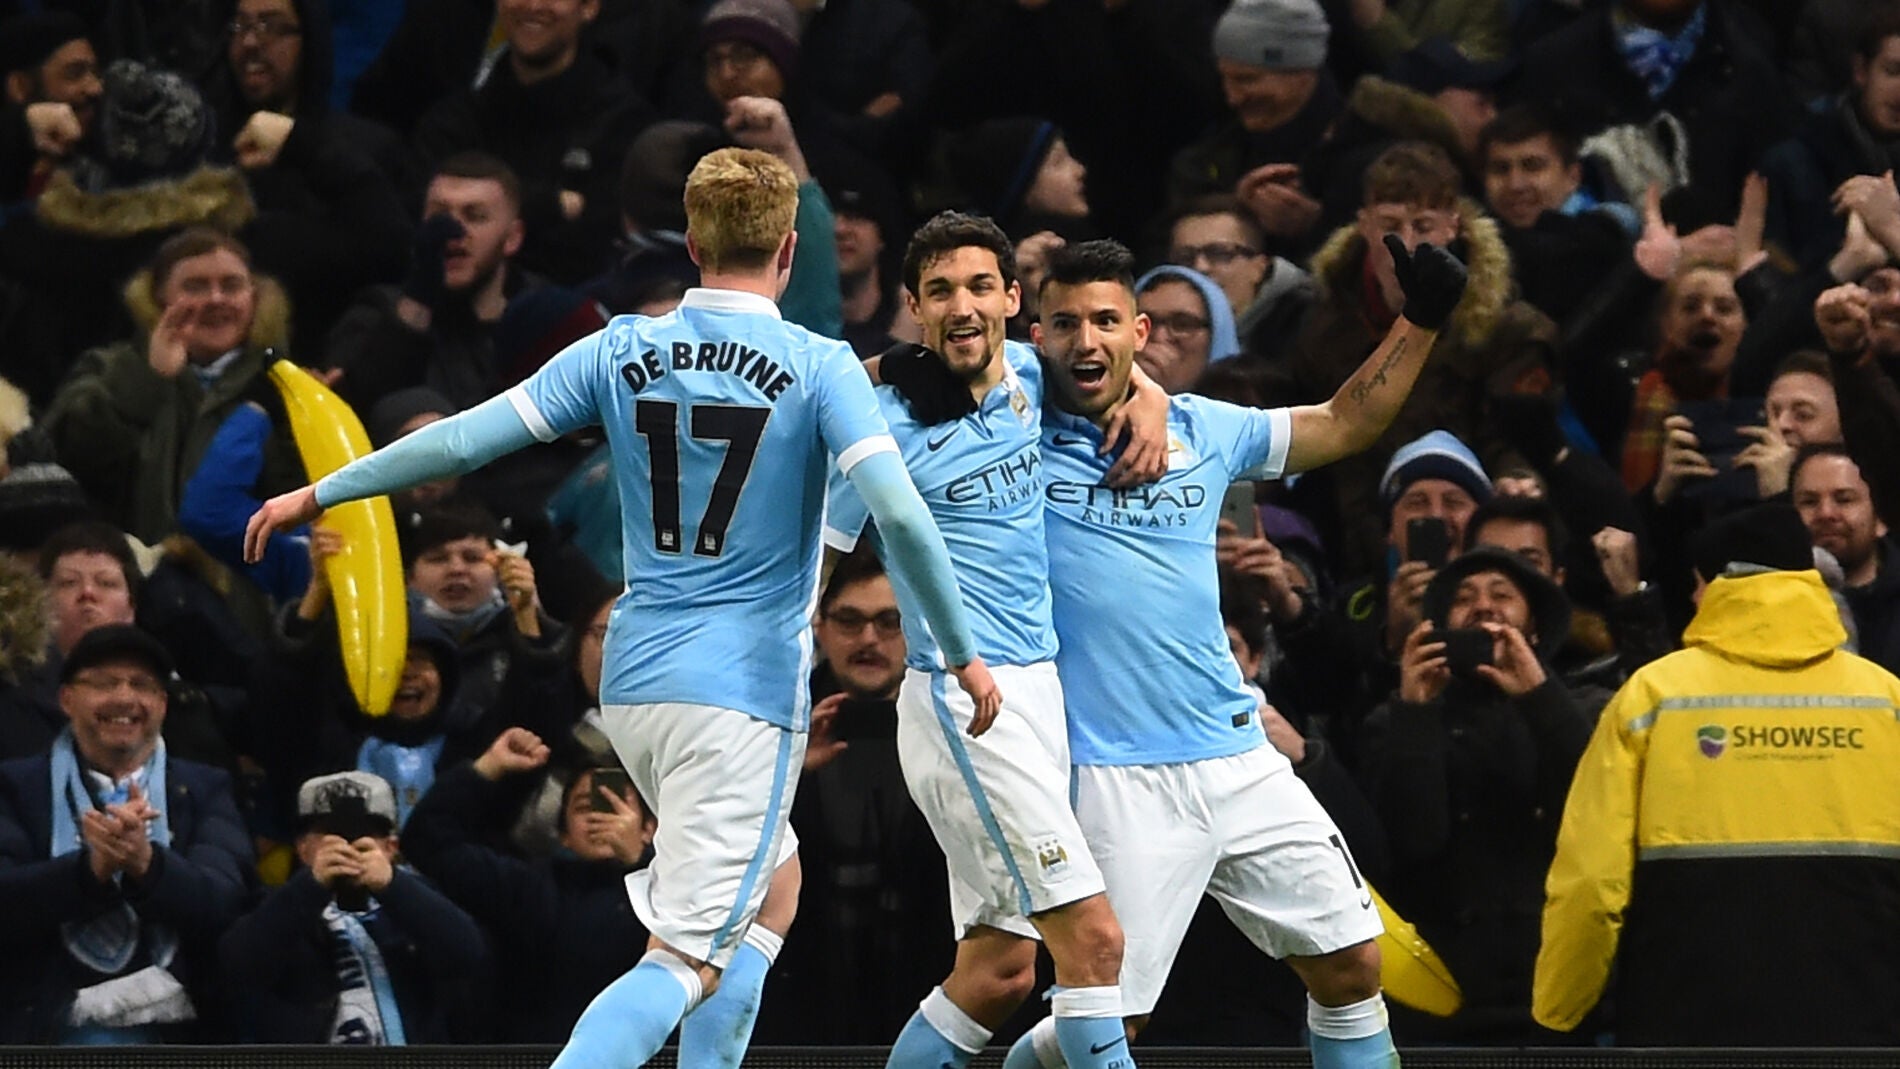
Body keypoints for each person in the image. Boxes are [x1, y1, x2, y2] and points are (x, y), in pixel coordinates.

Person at [244, 146, 992, 1069]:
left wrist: (319, 493)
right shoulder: (815, 362)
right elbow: (905, 522)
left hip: (634, 680)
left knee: (772, 893)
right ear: (791, 249)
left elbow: (464, 438)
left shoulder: (622, 348)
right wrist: (959, 649)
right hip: (739, 692)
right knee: (682, 955)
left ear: (690, 242)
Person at [1000, 235, 1463, 1069]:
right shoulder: (1009, 430)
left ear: (1142, 330)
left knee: (1354, 964)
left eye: (1106, 320)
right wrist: (1127, 387)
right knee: (1109, 1020)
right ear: (1036, 337)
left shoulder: (1204, 429)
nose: (1085, 339)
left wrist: (1419, 321)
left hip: (1239, 753)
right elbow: (937, 357)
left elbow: (1346, 420)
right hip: (1113, 770)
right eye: (1062, 322)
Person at [822, 212, 1169, 1069]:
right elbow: (818, 559)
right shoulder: (879, 424)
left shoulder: (1025, 370)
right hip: (962, 700)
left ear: (1015, 300)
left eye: (981, 286)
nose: (963, 305)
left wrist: (1151, 396)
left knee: (1000, 970)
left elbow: (1111, 366)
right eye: (940, 291)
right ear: (913, 307)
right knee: (1094, 944)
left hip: (1038, 690)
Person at [1533, 502, 1900, 1045]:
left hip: (1684, 1025)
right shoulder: (1886, 702)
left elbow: (1591, 881)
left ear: (1716, 586)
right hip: (1866, 1028)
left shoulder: (1653, 699)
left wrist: (1560, 1015)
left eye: (1695, 585)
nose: (1691, 598)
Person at [0, 624, 253, 1043]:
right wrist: (87, 872)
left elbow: (228, 904)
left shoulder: (205, 788)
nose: (123, 697)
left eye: (141, 684)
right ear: (66, 699)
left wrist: (148, 865)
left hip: (187, 1027)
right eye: (103, 683)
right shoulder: (13, 786)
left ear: (162, 704)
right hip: (44, 1026)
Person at [218, 770, 488, 1043]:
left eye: (364, 834)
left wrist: (393, 886)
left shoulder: (417, 900)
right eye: (330, 834)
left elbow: (469, 952)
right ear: (302, 848)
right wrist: (310, 887)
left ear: (390, 846)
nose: (347, 845)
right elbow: (237, 966)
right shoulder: (276, 905)